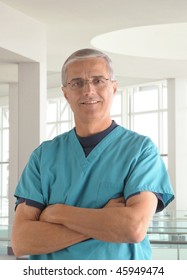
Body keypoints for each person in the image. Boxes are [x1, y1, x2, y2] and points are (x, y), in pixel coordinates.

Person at [11, 48, 174, 260]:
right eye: (77, 83)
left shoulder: (141, 151)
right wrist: (105, 220)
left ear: (113, 88)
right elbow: (22, 241)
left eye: (98, 81)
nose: (88, 90)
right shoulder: (43, 156)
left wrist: (57, 213)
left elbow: (133, 228)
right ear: (66, 93)